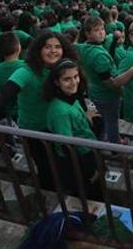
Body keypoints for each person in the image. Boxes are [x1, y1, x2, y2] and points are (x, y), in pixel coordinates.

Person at [0, 31, 79, 189]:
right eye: (47, 47)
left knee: (64, 162)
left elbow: (75, 92)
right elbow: (5, 93)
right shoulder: (26, 71)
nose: (53, 51)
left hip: (61, 124)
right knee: (46, 168)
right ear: (38, 49)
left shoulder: (63, 67)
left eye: (57, 47)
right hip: (36, 130)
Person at [44, 59, 103, 201]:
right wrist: (88, 171)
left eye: (75, 77)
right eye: (67, 79)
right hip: (80, 163)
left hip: (88, 151)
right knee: (90, 196)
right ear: (57, 82)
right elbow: (67, 147)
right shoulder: (60, 111)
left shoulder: (70, 97)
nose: (74, 82)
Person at [77, 17, 133, 144]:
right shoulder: (100, 56)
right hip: (107, 95)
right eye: (96, 30)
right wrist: (124, 90)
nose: (101, 32)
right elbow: (110, 83)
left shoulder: (83, 47)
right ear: (88, 33)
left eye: (102, 29)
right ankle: (115, 145)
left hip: (94, 91)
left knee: (107, 118)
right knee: (112, 121)